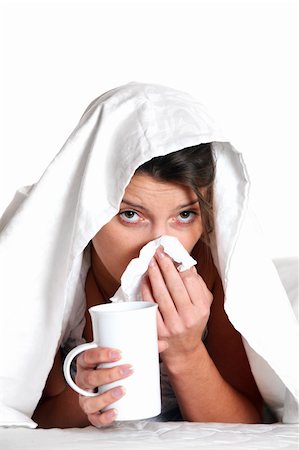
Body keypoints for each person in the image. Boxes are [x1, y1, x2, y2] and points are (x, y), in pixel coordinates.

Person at [0, 82, 297, 429]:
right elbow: (28, 418)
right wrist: (84, 395)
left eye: (184, 215)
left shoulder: (215, 278)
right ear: (93, 213)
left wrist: (185, 352)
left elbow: (247, 423)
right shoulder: (56, 284)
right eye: (131, 215)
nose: (157, 245)